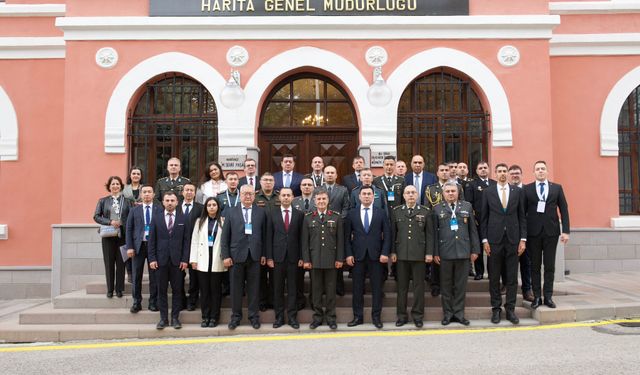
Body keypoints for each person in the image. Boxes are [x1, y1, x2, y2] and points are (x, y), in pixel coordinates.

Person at [480, 163, 527, 325]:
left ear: (507, 173)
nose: (502, 174)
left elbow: (522, 217)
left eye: (504, 171)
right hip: (494, 241)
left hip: (513, 240)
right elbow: (483, 218)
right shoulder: (488, 192)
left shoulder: (518, 192)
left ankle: (511, 309)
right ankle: (496, 309)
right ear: (495, 173)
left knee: (512, 277)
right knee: (494, 277)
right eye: (499, 171)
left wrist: (523, 239)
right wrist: (484, 240)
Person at [429, 182, 481, 326]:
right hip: (445, 253)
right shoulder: (437, 208)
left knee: (460, 286)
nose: (451, 193)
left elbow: (473, 230)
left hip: (463, 252)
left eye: (453, 191)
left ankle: (459, 314)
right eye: (448, 191)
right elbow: (433, 233)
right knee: (445, 286)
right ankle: (447, 314)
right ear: (443, 193)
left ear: (458, 192)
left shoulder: (467, 206)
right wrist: (435, 252)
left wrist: (475, 249)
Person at [523, 161, 570, 310]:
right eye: (537, 169)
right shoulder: (527, 189)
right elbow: (522, 214)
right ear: (534, 172)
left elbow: (564, 209)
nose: (540, 171)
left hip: (551, 232)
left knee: (549, 266)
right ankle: (537, 297)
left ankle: (548, 296)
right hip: (533, 233)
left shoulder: (557, 188)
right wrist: (523, 235)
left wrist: (566, 231)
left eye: (543, 169)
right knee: (535, 266)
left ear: (547, 171)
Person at [221, 184, 267, 330]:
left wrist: (264, 254)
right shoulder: (230, 212)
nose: (248, 196)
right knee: (236, 289)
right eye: (245, 194)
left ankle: (254, 317)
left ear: (254, 196)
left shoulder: (260, 212)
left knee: (254, 289)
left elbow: (264, 236)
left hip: (255, 256)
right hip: (235, 256)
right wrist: (226, 255)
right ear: (240, 195)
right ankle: (236, 317)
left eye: (250, 194)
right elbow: (225, 237)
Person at [345, 186, 391, 329]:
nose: (366, 196)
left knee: (377, 288)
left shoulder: (381, 213)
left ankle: (376, 317)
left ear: (373, 196)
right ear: (359, 197)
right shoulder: (351, 214)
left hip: (376, 256)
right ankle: (357, 317)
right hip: (357, 256)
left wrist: (385, 253)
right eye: (363, 194)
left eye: (369, 194)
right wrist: (348, 254)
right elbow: (346, 237)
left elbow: (388, 235)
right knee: (357, 288)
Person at [302, 189, 344, 330]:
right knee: (316, 291)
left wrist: (339, 259)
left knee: (331, 291)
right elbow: (305, 242)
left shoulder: (336, 217)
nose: (321, 201)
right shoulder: (308, 217)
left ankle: (331, 318)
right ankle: (318, 317)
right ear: (314, 201)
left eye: (323, 199)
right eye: (318, 199)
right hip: (314, 261)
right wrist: (306, 260)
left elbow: (340, 241)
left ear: (328, 201)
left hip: (331, 260)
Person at [148, 191, 190, 330]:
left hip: (178, 262)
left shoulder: (183, 219)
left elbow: (186, 241)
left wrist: (185, 259)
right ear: (163, 202)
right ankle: (163, 319)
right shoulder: (156, 218)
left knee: (178, 291)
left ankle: (175, 318)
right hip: (160, 261)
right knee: (162, 291)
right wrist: (152, 258)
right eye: (167, 200)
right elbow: (151, 241)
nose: (170, 203)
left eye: (172, 200)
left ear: (177, 202)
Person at [390, 185, 431, 328]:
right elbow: (393, 234)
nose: (411, 195)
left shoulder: (425, 211)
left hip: (419, 255)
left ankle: (418, 316)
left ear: (417, 194)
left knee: (419, 287)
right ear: (403, 195)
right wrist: (393, 252)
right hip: (401, 255)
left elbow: (429, 235)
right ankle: (401, 316)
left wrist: (429, 253)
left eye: (413, 192)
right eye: (408, 193)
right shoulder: (396, 212)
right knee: (402, 287)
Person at [266, 188, 304, 329]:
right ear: (279, 197)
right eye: (284, 195)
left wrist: (301, 256)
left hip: (294, 258)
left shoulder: (300, 215)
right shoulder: (272, 214)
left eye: (288, 195)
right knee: (277, 289)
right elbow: (268, 237)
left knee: (293, 289)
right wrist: (269, 257)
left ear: (293, 197)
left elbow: (302, 238)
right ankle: (279, 317)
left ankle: (293, 318)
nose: (286, 197)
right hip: (277, 259)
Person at [189, 196, 226, 328]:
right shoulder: (199, 221)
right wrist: (193, 259)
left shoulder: (223, 221)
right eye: (209, 205)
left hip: (217, 259)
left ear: (218, 207)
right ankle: (205, 317)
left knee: (215, 291)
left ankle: (214, 317)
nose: (211, 207)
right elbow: (194, 241)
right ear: (206, 207)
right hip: (202, 260)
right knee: (204, 291)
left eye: (214, 205)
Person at [93, 176, 131, 299]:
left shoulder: (127, 201)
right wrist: (110, 222)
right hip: (108, 236)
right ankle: (110, 289)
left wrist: (122, 223)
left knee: (121, 263)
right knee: (109, 263)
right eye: (113, 184)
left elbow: (131, 218)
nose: (115, 186)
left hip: (122, 236)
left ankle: (119, 289)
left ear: (121, 186)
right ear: (109, 186)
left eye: (117, 184)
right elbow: (96, 216)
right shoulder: (103, 201)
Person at [125, 184, 161, 313]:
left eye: (149, 192)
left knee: (154, 277)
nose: (146, 194)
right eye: (144, 192)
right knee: (136, 276)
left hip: (154, 248)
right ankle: (136, 302)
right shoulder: (134, 210)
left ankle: (153, 302)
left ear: (153, 194)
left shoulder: (159, 209)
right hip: (138, 247)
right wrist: (129, 247)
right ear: (140, 194)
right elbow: (129, 229)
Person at [465, 161, 496, 280]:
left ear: (488, 169)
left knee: (491, 248)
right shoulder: (472, 185)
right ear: (477, 171)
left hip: (492, 221)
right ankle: (479, 272)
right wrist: (473, 219)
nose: (483, 170)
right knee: (477, 246)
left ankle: (492, 272)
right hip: (478, 221)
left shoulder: (494, 183)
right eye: (480, 168)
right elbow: (469, 204)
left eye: (485, 168)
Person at [508, 164, 534, 303]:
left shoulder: (528, 190)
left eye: (517, 173)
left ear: (521, 174)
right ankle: (506, 285)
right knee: (508, 263)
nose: (514, 175)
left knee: (526, 263)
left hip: (526, 233)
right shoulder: (506, 191)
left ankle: (527, 290)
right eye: (512, 173)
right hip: (510, 234)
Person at [255, 172, 280, 311]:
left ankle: (273, 300)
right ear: (260, 182)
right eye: (265, 180)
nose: (268, 182)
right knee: (261, 274)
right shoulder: (255, 197)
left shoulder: (279, 196)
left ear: (274, 182)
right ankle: (262, 301)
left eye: (271, 180)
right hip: (260, 237)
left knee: (275, 275)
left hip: (276, 238)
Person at [181, 183, 204, 311]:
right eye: (187, 190)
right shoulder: (176, 206)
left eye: (191, 190)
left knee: (194, 276)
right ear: (182, 192)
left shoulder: (201, 208)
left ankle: (192, 300)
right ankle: (181, 299)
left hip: (195, 246)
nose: (189, 192)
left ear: (195, 193)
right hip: (179, 247)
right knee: (179, 276)